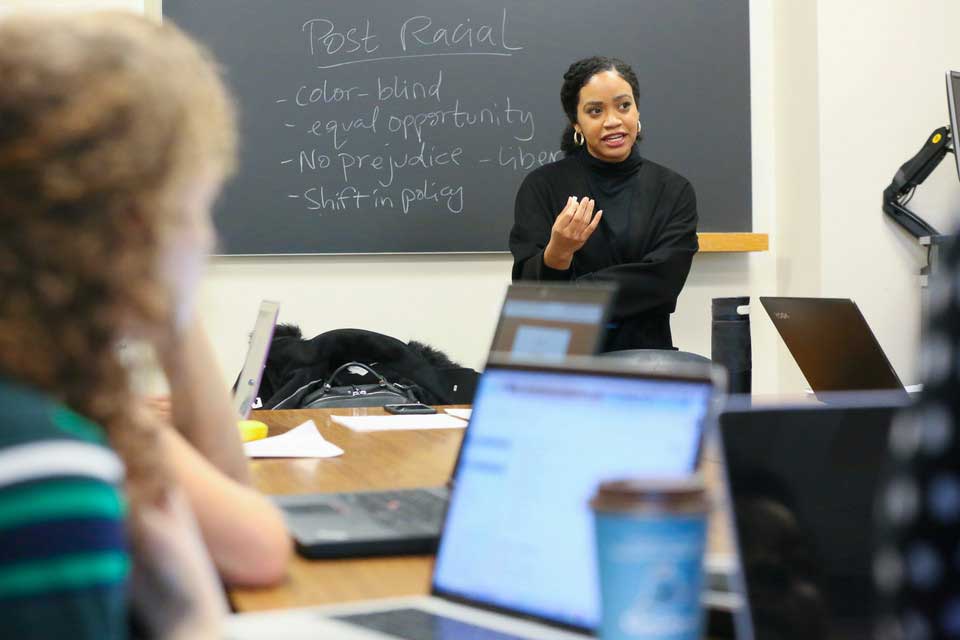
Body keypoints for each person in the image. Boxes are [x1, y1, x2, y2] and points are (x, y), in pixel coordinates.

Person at [0, 11, 287, 638]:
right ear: (134, 226)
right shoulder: (45, 468)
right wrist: (197, 623)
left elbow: (252, 544)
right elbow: (255, 550)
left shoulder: (50, 393)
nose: (208, 238)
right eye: (195, 208)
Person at [509, 56, 699, 351]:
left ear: (637, 110)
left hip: (645, 359)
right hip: (561, 361)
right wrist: (557, 253)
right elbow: (529, 293)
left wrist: (567, 293)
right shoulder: (543, 187)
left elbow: (662, 282)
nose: (613, 121)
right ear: (577, 123)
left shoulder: (673, 190)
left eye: (624, 106)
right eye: (595, 111)